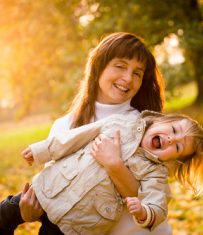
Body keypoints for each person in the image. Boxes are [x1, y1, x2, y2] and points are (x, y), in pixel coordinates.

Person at [0, 32, 171, 235]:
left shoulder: (142, 127)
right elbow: (57, 192)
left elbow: (151, 196)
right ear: (99, 67)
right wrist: (29, 213)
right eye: (120, 66)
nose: (127, 78)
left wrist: (114, 165)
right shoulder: (65, 125)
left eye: (137, 73)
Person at [20, 110, 203, 235]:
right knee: (5, 213)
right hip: (49, 189)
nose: (171, 139)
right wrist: (40, 151)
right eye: (173, 129)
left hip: (75, 226)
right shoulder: (119, 124)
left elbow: (158, 206)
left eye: (177, 147)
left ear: (173, 159)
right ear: (160, 120)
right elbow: (73, 138)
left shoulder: (155, 174)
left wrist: (143, 212)